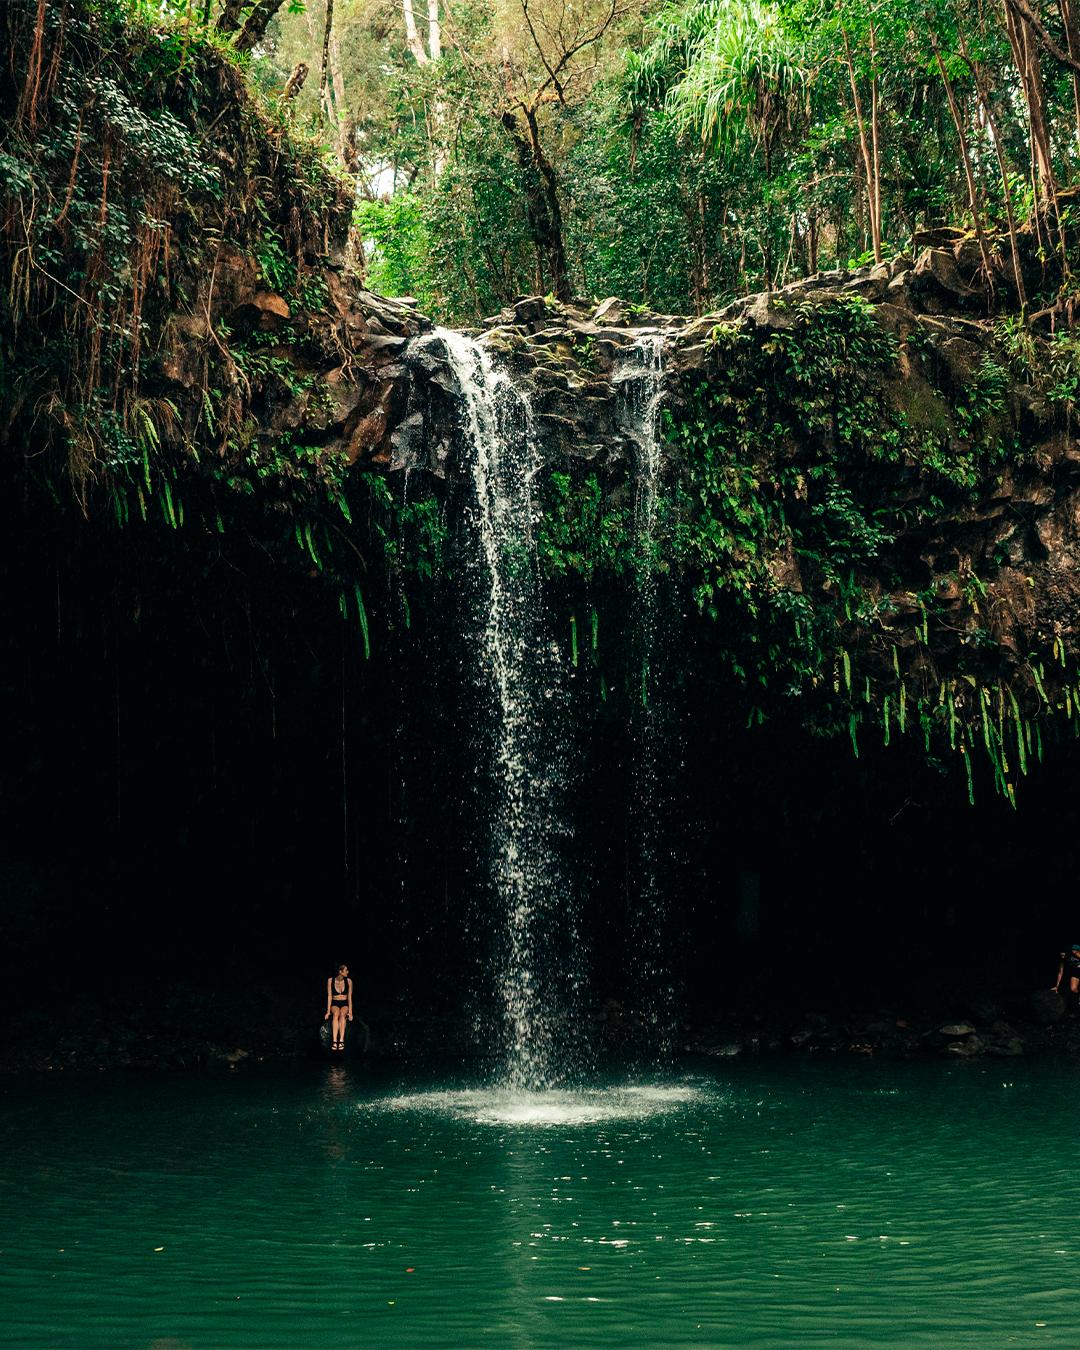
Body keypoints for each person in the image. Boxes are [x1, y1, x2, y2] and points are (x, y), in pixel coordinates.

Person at [325, 964, 353, 1051]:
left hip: (344, 1003)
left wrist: (350, 1012)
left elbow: (349, 997)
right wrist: (328, 1011)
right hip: (335, 1002)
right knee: (336, 1014)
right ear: (340, 972)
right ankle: (334, 1040)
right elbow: (329, 996)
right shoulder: (330, 981)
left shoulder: (348, 981)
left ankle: (341, 1040)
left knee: (342, 1014)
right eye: (346, 970)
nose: (347, 972)